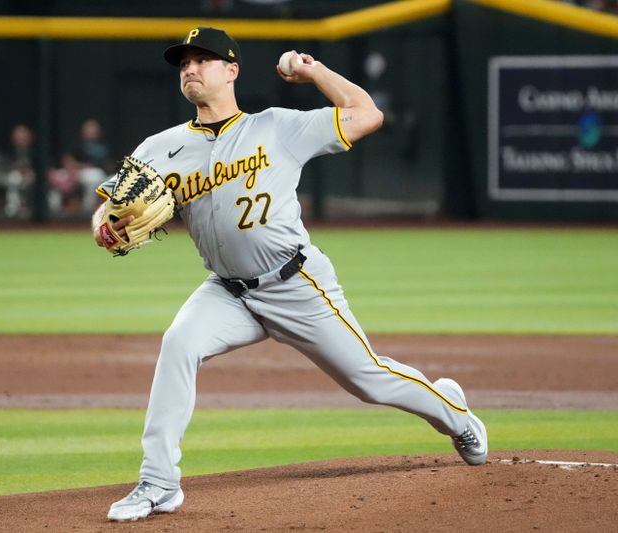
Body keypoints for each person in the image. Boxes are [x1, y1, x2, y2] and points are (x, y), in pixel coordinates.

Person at [92, 27, 488, 522]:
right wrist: (104, 226)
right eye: (184, 63)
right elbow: (110, 205)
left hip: (295, 283)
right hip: (227, 291)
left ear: (231, 70)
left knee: (369, 381)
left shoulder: (277, 126)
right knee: (179, 343)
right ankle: (158, 483)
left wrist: (313, 70)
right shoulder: (161, 146)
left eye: (203, 60)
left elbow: (368, 114)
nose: (190, 69)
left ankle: (454, 413)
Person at [47, 118, 111, 216]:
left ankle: (87, 210)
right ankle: (54, 210)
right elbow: (67, 159)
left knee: (96, 177)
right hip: (77, 172)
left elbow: (106, 165)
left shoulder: (102, 147)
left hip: (96, 174)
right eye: (88, 129)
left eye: (93, 130)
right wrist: (75, 168)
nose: (91, 132)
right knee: (57, 177)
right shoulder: (77, 145)